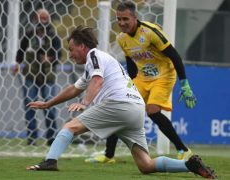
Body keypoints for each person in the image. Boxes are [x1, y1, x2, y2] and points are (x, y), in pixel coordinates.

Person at [25, 25, 216, 179]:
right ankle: (189, 165)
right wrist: (48, 103)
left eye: (71, 49)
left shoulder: (94, 55)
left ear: (82, 46)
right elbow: (74, 88)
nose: (70, 54)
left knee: (69, 127)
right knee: (146, 165)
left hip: (118, 104)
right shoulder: (97, 62)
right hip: (136, 108)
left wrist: (84, 103)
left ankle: (50, 161)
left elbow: (97, 81)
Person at [85, 1, 196, 163]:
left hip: (164, 75)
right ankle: (109, 155)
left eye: (126, 19)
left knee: (152, 110)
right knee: (120, 105)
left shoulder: (150, 32)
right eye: (119, 19)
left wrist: (184, 83)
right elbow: (131, 63)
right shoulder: (122, 39)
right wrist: (127, 84)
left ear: (135, 18)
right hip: (143, 77)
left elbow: (174, 55)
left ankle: (183, 150)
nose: (122, 23)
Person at [13, 9, 61, 146]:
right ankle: (32, 138)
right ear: (36, 18)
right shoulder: (29, 34)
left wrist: (50, 58)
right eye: (41, 17)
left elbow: (59, 54)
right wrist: (18, 63)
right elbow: (21, 50)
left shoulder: (53, 36)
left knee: (50, 106)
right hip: (31, 74)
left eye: (46, 17)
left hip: (48, 76)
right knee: (29, 105)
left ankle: (51, 138)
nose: (44, 20)